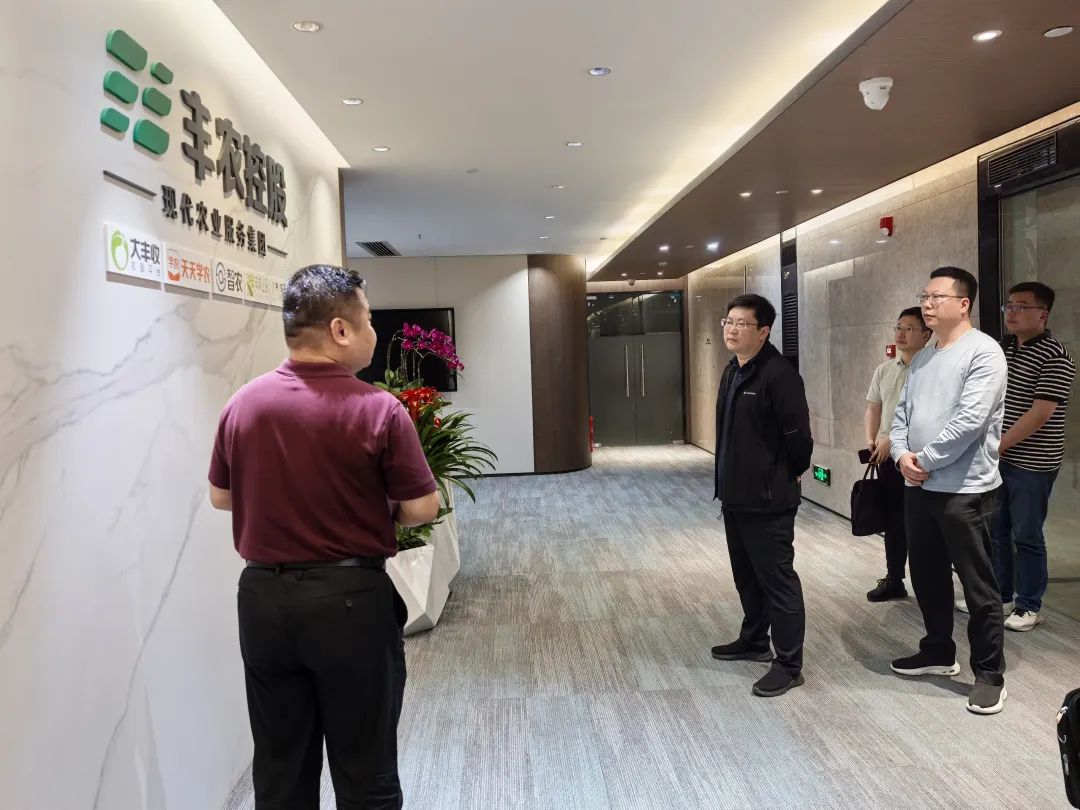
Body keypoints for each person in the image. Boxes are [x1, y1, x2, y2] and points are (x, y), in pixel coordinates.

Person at [208, 264, 440, 809]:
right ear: (340, 329)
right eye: (368, 319)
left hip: (263, 600)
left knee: (280, 768)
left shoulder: (244, 403)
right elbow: (421, 508)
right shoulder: (378, 408)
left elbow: (221, 496)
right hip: (350, 603)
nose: (373, 331)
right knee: (365, 770)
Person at [889, 266, 1009, 715]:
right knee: (926, 574)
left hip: (964, 489)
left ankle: (989, 674)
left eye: (936, 297)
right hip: (918, 485)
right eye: (924, 296)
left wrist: (924, 460)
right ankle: (938, 650)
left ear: (963, 304)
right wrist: (901, 455)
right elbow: (901, 413)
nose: (927, 303)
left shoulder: (984, 352)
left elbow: (970, 421)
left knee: (977, 584)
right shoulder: (925, 355)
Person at [709, 294, 814, 698]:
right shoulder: (733, 370)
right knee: (747, 576)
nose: (732, 329)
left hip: (769, 499)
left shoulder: (779, 375)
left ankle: (788, 664)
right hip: (735, 495)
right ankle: (754, 639)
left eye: (742, 323)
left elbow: (799, 439)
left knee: (777, 580)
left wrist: (788, 474)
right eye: (728, 322)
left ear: (764, 331)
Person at [990, 281, 1075, 631]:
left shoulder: (1056, 355)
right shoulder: (1003, 347)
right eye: (1009, 305)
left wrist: (999, 444)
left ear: (1043, 314)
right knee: (997, 530)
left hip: (1033, 462)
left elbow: (1040, 414)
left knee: (1026, 534)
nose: (1011, 312)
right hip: (999, 456)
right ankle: (1001, 596)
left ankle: (1029, 605)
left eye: (1021, 306)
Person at [863, 307, 932, 601]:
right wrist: (871, 439)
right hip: (887, 458)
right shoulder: (884, 369)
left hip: (919, 458)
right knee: (893, 520)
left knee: (921, 524)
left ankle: (930, 584)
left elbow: (924, 415)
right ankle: (894, 579)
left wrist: (890, 439)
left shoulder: (931, 370)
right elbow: (873, 407)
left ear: (926, 335)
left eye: (909, 328)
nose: (901, 333)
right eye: (898, 327)